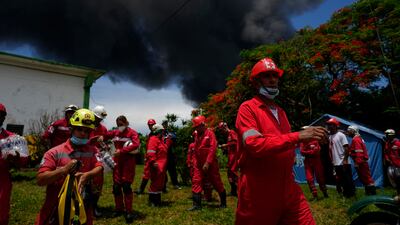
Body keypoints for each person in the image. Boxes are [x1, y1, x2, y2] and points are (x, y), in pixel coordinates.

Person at [235, 57, 328, 225]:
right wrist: (298, 136)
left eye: (275, 76)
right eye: (266, 76)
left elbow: (284, 143)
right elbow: (254, 145)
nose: (272, 80)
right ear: (256, 83)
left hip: (288, 187)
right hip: (259, 191)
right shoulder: (247, 108)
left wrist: (310, 139)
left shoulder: (282, 112)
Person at [35, 109, 103, 225]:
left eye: (87, 131)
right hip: (55, 210)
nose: (83, 133)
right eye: (79, 129)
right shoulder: (54, 152)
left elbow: (100, 166)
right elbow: (41, 179)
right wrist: (63, 170)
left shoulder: (93, 151)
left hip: (82, 210)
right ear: (71, 129)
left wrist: (88, 175)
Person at [188, 115, 226, 211]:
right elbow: (196, 150)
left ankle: (223, 203)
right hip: (198, 164)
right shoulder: (196, 135)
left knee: (216, 181)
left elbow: (213, 149)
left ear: (202, 124)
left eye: (197, 126)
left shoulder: (210, 134)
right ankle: (197, 205)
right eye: (195, 127)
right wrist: (195, 163)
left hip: (210, 164)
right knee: (196, 181)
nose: (196, 128)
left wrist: (208, 163)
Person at [106, 115, 140, 223]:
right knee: (116, 187)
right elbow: (106, 135)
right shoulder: (115, 133)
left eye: (121, 124)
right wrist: (101, 137)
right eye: (118, 125)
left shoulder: (132, 133)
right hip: (117, 163)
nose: (119, 127)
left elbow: (136, 144)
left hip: (128, 163)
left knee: (126, 186)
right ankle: (119, 209)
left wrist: (122, 151)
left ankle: (129, 211)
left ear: (126, 123)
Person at [0, 103, 28, 225]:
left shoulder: (12, 139)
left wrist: (16, 159)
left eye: (0, 115)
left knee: (1, 213)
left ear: (4, 117)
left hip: (2, 180)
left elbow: (23, 161)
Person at [326, 118, 355, 197]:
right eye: (328, 125)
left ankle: (351, 195)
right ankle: (345, 194)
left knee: (347, 179)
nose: (329, 126)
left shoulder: (341, 135)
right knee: (341, 179)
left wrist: (345, 160)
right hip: (336, 162)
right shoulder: (330, 137)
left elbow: (346, 148)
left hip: (343, 161)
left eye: (330, 125)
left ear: (335, 126)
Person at [89, 105, 108, 217]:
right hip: (85, 157)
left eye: (100, 119)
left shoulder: (103, 129)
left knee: (98, 182)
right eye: (97, 118)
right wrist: (93, 139)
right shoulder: (86, 126)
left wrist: (105, 146)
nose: (98, 120)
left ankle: (94, 206)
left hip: (97, 157)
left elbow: (103, 143)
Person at [300, 126, 328, 200]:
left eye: (304, 130)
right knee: (309, 179)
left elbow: (317, 150)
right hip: (308, 162)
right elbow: (302, 152)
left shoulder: (315, 140)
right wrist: (311, 152)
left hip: (316, 161)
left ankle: (325, 193)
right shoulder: (302, 142)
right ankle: (315, 195)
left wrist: (308, 152)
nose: (303, 132)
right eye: (303, 130)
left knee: (320, 178)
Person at [347, 125, 376, 195]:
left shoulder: (356, 139)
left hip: (361, 162)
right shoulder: (357, 138)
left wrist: (357, 163)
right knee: (364, 178)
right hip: (361, 162)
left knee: (367, 178)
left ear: (353, 131)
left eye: (349, 130)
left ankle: (372, 194)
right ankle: (368, 193)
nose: (347, 131)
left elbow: (359, 151)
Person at [146, 124, 168, 206]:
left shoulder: (161, 140)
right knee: (155, 182)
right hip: (156, 165)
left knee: (159, 183)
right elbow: (150, 152)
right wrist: (153, 161)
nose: (163, 132)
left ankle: (157, 201)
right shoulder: (153, 139)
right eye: (162, 131)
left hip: (162, 166)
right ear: (159, 131)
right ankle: (153, 201)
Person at [217, 122, 239, 196]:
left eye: (221, 130)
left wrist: (225, 145)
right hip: (230, 156)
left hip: (234, 156)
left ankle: (240, 190)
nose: (222, 132)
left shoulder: (232, 132)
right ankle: (233, 191)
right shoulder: (228, 135)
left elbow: (236, 143)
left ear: (225, 127)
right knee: (229, 173)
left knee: (233, 172)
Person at [135, 119, 156, 195]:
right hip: (149, 156)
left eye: (152, 125)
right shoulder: (150, 134)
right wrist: (146, 156)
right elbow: (148, 147)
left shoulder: (158, 133)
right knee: (147, 173)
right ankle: (141, 189)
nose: (151, 126)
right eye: (149, 125)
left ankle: (161, 188)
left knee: (159, 173)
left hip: (156, 157)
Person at [162, 121, 180, 190]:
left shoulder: (170, 132)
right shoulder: (161, 133)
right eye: (164, 124)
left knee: (173, 170)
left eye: (166, 124)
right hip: (163, 155)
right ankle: (164, 185)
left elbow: (175, 138)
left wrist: (170, 136)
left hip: (170, 154)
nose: (165, 126)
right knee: (163, 171)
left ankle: (175, 184)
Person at [384, 129, 400, 193]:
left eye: (387, 135)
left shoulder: (398, 143)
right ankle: (398, 192)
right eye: (386, 135)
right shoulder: (387, 143)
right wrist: (387, 158)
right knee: (394, 179)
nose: (386, 136)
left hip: (399, 165)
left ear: (392, 135)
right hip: (392, 165)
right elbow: (385, 152)